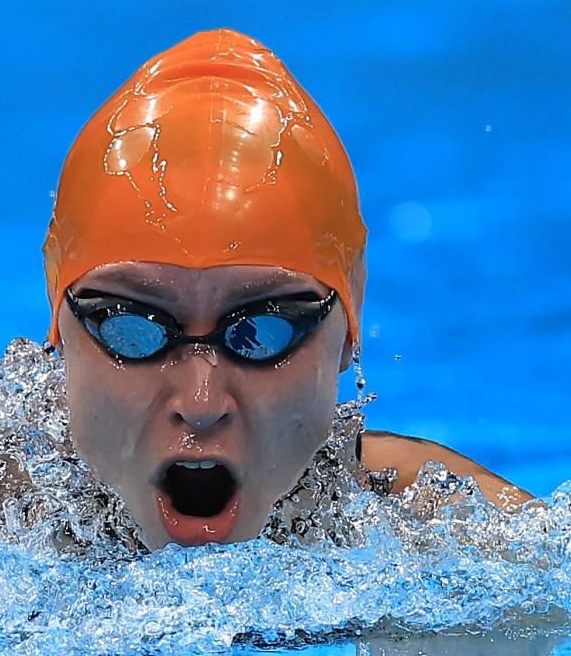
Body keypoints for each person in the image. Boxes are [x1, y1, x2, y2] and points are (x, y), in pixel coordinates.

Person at [38, 28, 531, 550]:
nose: (201, 403)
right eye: (132, 328)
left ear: (348, 329)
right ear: (60, 326)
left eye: (260, 331)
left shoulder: (463, 540)